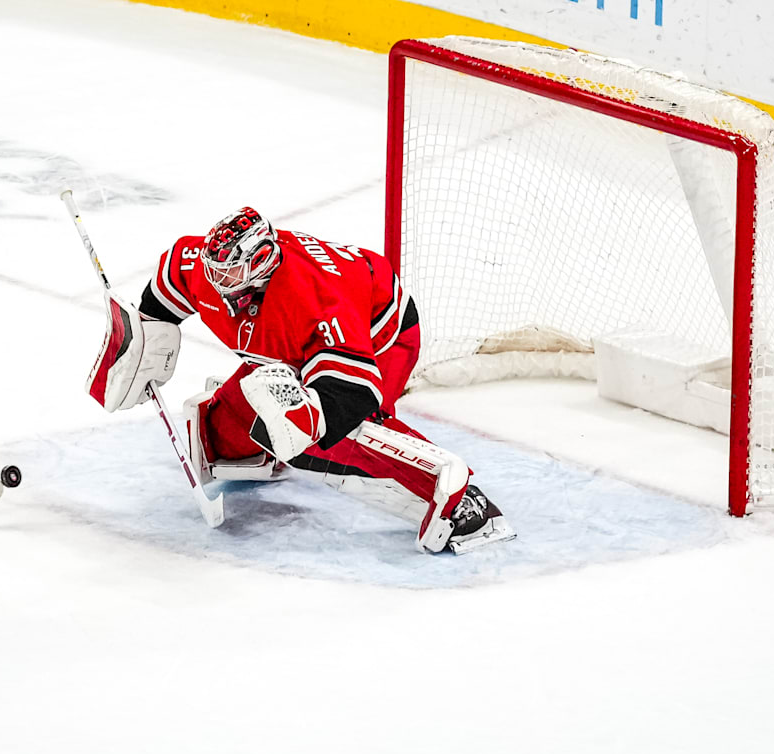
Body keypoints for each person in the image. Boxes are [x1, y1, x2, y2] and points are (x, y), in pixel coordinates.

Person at [87, 207, 515, 554]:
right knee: (220, 438)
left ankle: (462, 499)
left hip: (379, 336)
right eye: (214, 270)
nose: (217, 284)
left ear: (259, 262)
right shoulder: (205, 266)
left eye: (230, 275)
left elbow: (350, 393)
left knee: (312, 436)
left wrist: (302, 422)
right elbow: (167, 288)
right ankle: (276, 435)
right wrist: (143, 341)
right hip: (295, 346)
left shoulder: (317, 301)